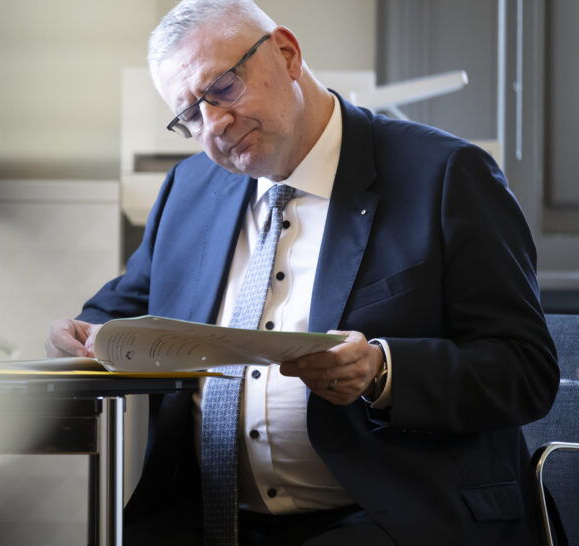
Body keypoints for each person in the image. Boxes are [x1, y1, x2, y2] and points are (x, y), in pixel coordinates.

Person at [45, 1, 559, 544]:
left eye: (223, 88)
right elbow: (122, 310)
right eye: (191, 115)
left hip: (392, 514)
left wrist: (383, 371)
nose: (214, 123)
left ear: (287, 54)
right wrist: (76, 334)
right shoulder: (189, 189)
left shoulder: (446, 175)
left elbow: (525, 370)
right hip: (202, 515)